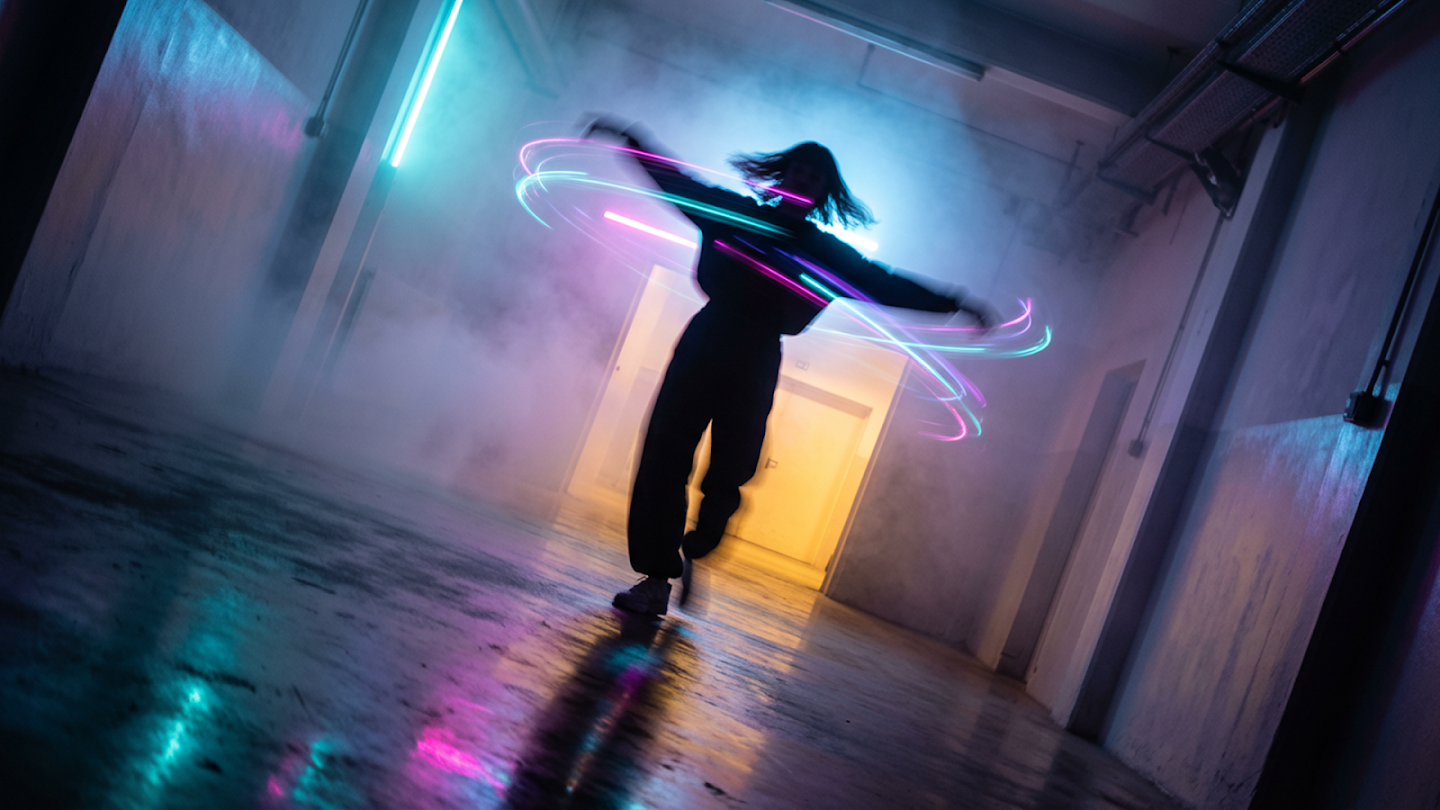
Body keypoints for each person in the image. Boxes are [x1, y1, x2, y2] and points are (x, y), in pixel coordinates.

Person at [586, 117, 994, 616]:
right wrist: (631, 142)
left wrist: (955, 303)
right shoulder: (733, 214)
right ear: (782, 174)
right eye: (797, 168)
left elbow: (885, 285)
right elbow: (677, 184)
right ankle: (655, 578)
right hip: (707, 338)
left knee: (733, 466)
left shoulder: (824, 252)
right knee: (665, 453)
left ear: (823, 192)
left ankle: (700, 544)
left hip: (758, 354)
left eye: (814, 175)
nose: (803, 178)